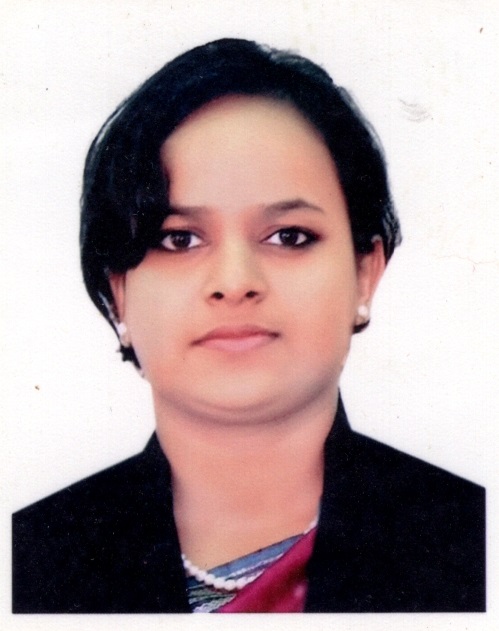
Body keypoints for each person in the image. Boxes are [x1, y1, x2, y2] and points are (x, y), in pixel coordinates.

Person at [12, 38, 485, 614]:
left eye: (289, 236)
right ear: (119, 295)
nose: (235, 282)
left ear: (365, 274)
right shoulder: (27, 564)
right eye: (178, 239)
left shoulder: (475, 545)